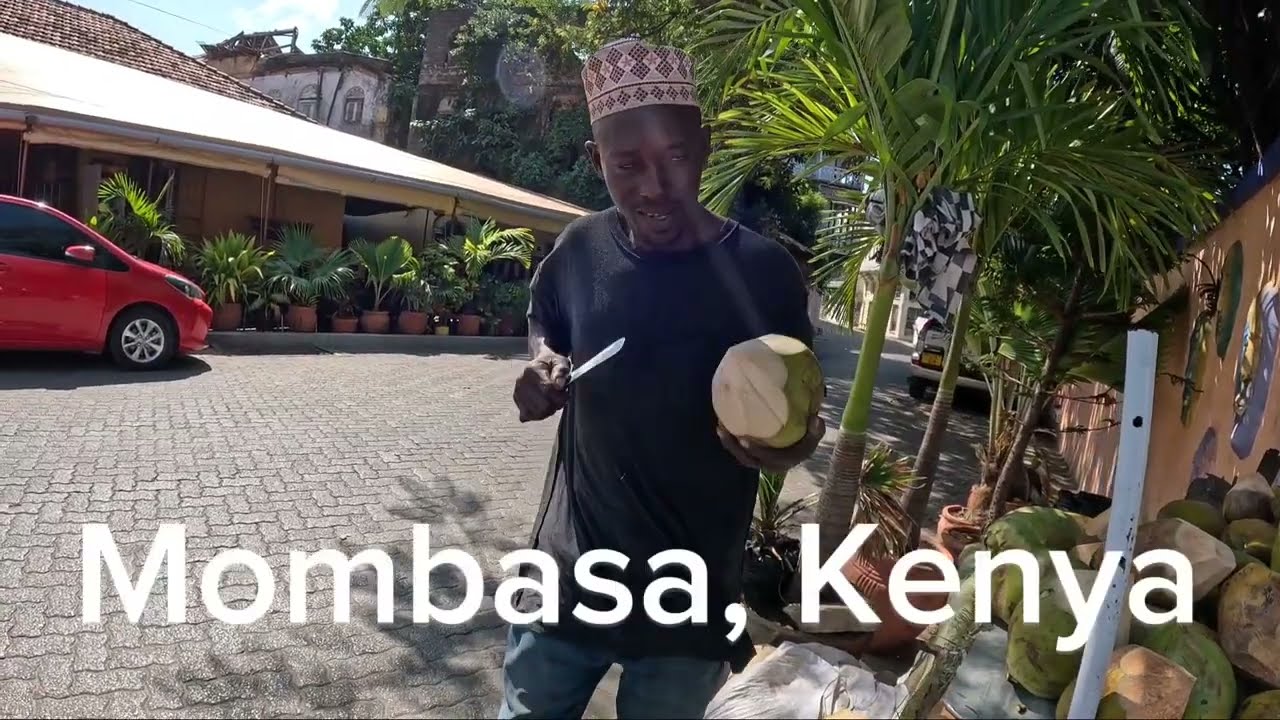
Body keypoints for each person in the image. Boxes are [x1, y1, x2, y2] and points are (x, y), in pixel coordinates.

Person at [503, 37, 826, 719]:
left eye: (675, 158)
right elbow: (546, 324)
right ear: (597, 163)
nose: (654, 186)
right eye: (628, 165)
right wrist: (539, 366)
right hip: (569, 573)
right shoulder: (579, 250)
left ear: (704, 148)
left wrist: (788, 450)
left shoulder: (766, 274)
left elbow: (804, 415)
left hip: (692, 596)